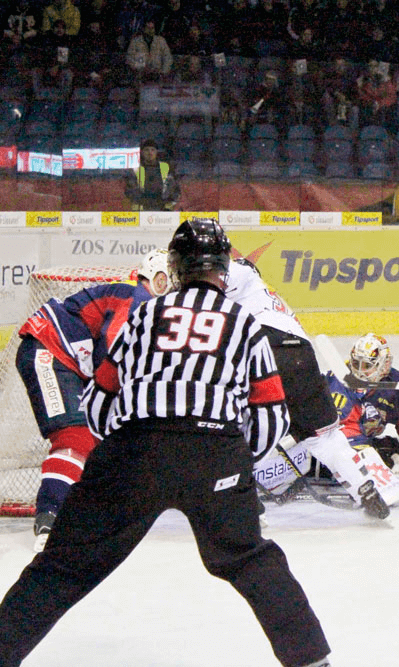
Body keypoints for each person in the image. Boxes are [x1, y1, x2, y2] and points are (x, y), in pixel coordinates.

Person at [0, 219, 331, 667]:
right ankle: (312, 661)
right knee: (250, 559)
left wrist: (129, 448)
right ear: (224, 269)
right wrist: (233, 459)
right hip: (216, 455)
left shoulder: (142, 315)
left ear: (174, 267)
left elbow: (99, 404)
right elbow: (272, 418)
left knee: (63, 567)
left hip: (136, 451)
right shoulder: (247, 325)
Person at [225, 254, 399, 519]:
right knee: (326, 436)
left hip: (264, 350)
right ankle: (364, 488)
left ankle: (243, 503)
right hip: (302, 356)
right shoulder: (272, 298)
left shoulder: (237, 276)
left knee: (236, 425)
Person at [15, 250, 173, 552]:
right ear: (156, 277)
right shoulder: (138, 300)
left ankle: (79, 510)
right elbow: (113, 354)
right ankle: (50, 519)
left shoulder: (148, 308)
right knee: (75, 437)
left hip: (68, 362)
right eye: (170, 280)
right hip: (49, 352)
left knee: (99, 437)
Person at [329, 334, 399, 487]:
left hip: (363, 440)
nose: (359, 371)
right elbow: (343, 434)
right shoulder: (338, 383)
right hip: (329, 447)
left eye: (366, 365)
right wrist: (377, 463)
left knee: (393, 450)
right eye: (356, 363)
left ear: (384, 365)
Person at [125, 139, 180, 211]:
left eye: (152, 150)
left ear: (156, 152)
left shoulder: (166, 167)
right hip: (140, 211)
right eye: (146, 150)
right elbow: (130, 191)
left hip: (164, 211)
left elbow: (174, 189)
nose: (150, 152)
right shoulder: (135, 169)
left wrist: (167, 204)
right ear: (142, 152)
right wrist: (142, 201)